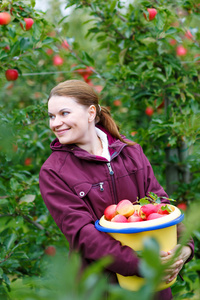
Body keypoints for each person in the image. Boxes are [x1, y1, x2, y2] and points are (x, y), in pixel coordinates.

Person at [39, 79, 194, 300]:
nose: (55, 123)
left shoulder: (131, 152)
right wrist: (142, 264)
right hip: (100, 289)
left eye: (64, 113)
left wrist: (183, 249)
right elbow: (84, 234)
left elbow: (160, 204)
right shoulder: (54, 172)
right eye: (52, 116)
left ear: (91, 112)